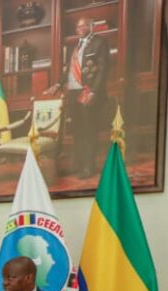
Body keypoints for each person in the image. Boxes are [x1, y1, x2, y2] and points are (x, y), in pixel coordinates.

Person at [46, 18, 109, 178]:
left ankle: (89, 167)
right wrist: (58, 85)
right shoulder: (75, 46)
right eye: (78, 26)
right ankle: (79, 165)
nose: (80, 28)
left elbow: (103, 69)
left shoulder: (100, 42)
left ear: (91, 26)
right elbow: (68, 69)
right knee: (77, 130)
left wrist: (94, 91)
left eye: (84, 25)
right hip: (73, 93)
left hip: (88, 91)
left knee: (89, 130)